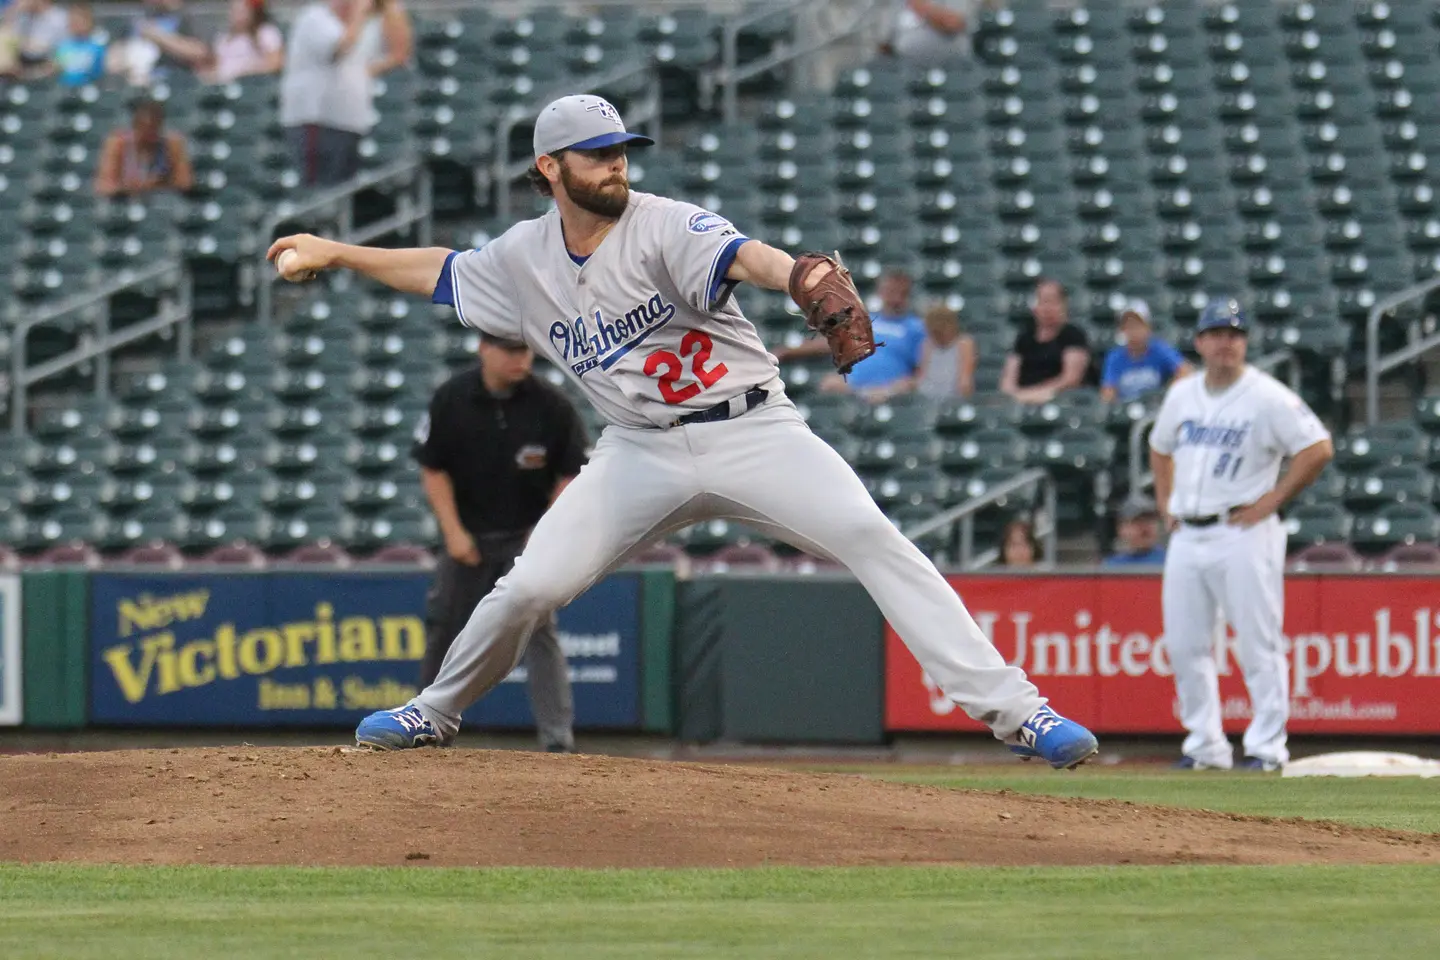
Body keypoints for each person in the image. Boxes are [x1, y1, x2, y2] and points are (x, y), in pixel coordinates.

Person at [268, 93, 1099, 770]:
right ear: (549, 168)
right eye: (596, 152)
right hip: (638, 450)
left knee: (872, 536)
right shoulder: (523, 258)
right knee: (528, 587)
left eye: (621, 148)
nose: (617, 162)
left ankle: (1022, 715)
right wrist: (338, 252)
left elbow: (751, 257)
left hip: (754, 429)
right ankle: (434, 712)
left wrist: (801, 275)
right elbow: (444, 273)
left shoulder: (664, 222)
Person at [1149, 298, 1334, 772]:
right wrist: (1165, 505)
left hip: (1244, 531)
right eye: (1215, 333)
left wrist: (1272, 499)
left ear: (1244, 342)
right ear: (1199, 342)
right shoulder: (1182, 393)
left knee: (1258, 641)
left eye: (1233, 333)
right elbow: (1159, 447)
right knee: (1186, 645)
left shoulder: (1267, 395)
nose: (1225, 342)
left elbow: (1317, 447)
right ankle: (1205, 746)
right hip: (1189, 531)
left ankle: (1267, 749)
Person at [413, 332, 589, 754]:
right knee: (445, 628)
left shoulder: (551, 404)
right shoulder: (452, 398)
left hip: (526, 537)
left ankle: (557, 738)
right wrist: (453, 532)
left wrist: (545, 532)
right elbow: (432, 467)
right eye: (509, 350)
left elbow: (571, 474)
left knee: (539, 630)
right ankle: (422, 726)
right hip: (469, 537)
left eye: (524, 350)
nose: (519, 359)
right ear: (484, 349)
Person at [279, 0, 411, 187]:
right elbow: (340, 47)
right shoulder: (316, 17)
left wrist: (388, 5)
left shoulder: (359, 26)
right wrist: (360, 13)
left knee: (341, 193)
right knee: (318, 195)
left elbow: (400, 52)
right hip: (317, 122)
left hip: (349, 124)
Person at [778, 269, 927, 401]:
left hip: (889, 391)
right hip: (852, 387)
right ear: (881, 292)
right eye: (890, 292)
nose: (895, 299)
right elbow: (829, 343)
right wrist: (785, 352)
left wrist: (891, 390)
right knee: (827, 385)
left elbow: (921, 372)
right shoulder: (864, 320)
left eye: (901, 293)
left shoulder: (916, 327)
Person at [141, 0, 284, 84]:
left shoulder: (266, 32)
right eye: (234, 9)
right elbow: (214, 65)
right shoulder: (225, 38)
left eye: (241, 10)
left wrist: (244, 71)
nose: (235, 13)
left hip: (252, 86)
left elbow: (275, 64)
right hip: (223, 87)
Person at [1000, 278, 1091, 404]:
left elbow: (1071, 378)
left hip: (1059, 400)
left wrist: (1038, 393)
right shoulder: (1024, 338)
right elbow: (1009, 379)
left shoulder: (1073, 336)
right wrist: (1015, 395)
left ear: (1063, 305)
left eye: (1052, 301)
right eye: (1043, 301)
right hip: (1022, 401)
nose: (1047, 308)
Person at [94, 97, 194, 198]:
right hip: (125, 201)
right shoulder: (117, 143)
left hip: (162, 200)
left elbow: (185, 183)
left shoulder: (173, 144)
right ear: (135, 126)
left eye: (154, 127)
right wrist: (133, 187)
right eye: (144, 127)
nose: (149, 133)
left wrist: (158, 184)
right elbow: (104, 185)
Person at [1100, 298, 1190, 404]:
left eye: (1137, 325)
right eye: (1128, 326)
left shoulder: (1159, 349)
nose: (1133, 331)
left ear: (1148, 327)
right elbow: (1107, 392)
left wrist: (1168, 394)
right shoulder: (1115, 357)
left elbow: (1186, 371)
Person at [883, 0, 977, 64]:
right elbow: (886, 40)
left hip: (949, 68)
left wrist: (923, 7)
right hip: (903, 67)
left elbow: (954, 23)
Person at [916, 303, 976, 398]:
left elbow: (965, 377)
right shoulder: (927, 344)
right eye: (933, 333)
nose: (937, 337)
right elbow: (922, 376)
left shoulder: (964, 343)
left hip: (954, 396)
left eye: (939, 333)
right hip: (929, 395)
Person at [0, 0, 68, 77]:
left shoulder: (59, 18)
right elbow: (8, 35)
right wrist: (13, 10)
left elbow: (65, 50)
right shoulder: (23, 16)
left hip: (49, 70)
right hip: (23, 69)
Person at [49, 2, 106, 86]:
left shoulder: (97, 47)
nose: (75, 24)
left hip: (89, 91)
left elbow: (99, 74)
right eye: (73, 20)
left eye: (79, 20)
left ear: (89, 21)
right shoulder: (62, 46)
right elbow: (55, 69)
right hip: (64, 91)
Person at [1102, 495, 1167, 567]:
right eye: (1138, 521)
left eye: (1150, 520)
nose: (1145, 527)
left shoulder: (1169, 560)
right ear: (1122, 528)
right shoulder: (1111, 566)